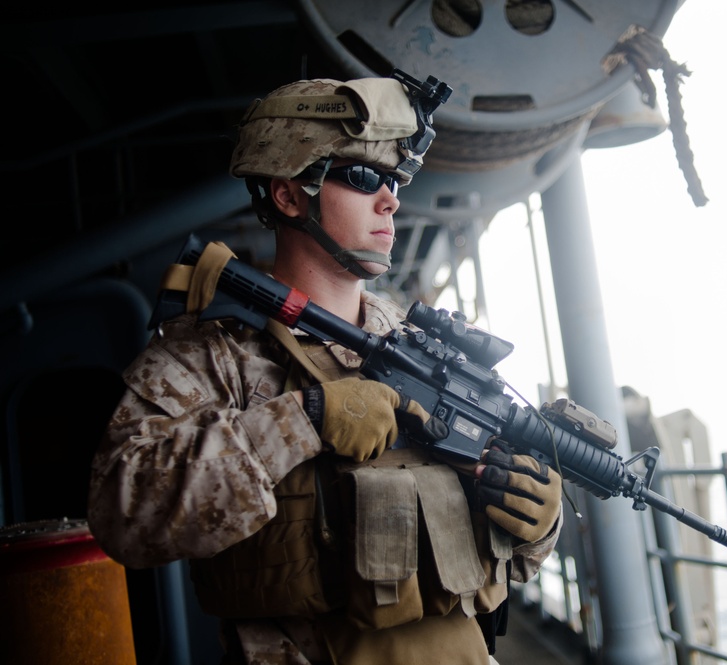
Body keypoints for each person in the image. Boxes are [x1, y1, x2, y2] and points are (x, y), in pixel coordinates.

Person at [88, 72, 563, 665]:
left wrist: (537, 521)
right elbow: (124, 513)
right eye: (364, 178)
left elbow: (501, 551)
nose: (390, 199)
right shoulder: (215, 354)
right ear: (288, 195)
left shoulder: (427, 347)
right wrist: (303, 419)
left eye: (393, 180)